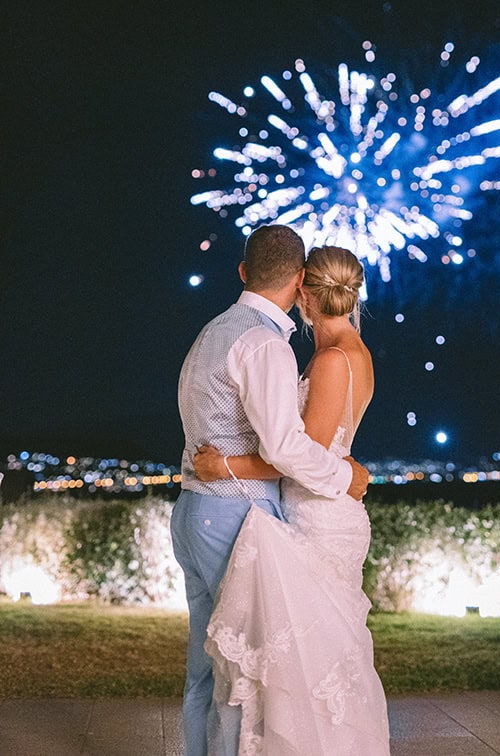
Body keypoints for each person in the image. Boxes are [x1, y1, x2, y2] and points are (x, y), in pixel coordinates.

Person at [170, 226, 369, 756]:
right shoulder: (264, 344)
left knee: (207, 674)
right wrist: (345, 478)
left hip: (192, 512)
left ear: (242, 272)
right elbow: (286, 447)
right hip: (235, 515)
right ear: (300, 279)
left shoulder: (213, 331)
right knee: (245, 674)